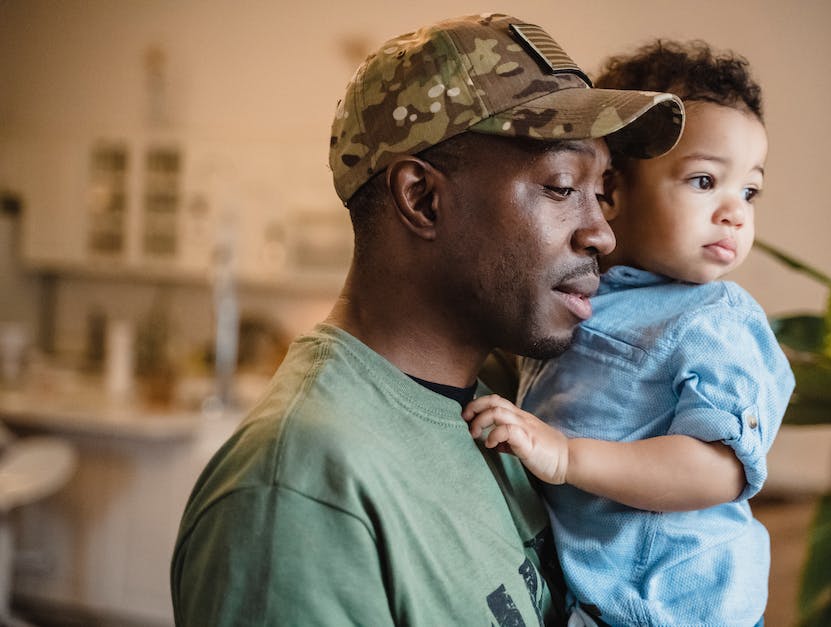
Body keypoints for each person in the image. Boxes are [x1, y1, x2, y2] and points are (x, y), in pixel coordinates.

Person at [170, 14, 684, 626]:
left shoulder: (495, 418)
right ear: (422, 198)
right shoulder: (300, 490)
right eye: (560, 186)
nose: (601, 233)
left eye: (600, 192)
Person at [463, 40, 795, 627]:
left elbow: (721, 470)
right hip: (598, 594)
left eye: (749, 191)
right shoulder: (587, 293)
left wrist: (569, 457)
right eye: (703, 182)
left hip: (674, 607)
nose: (735, 212)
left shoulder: (716, 322)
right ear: (611, 192)